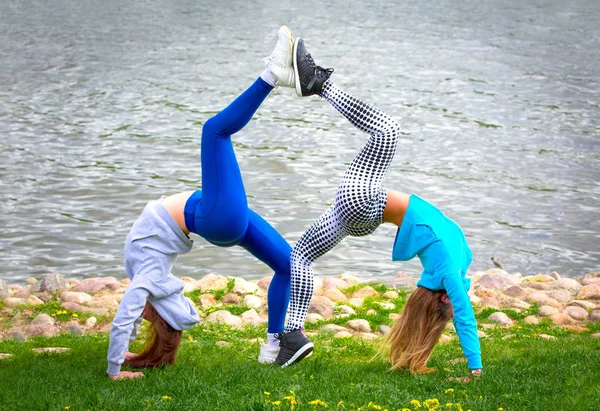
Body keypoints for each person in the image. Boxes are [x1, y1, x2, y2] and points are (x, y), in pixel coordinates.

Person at [274, 35, 482, 381]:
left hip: (363, 199)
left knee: (387, 131)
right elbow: (454, 305)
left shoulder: (449, 271)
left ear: (445, 300)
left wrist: (474, 368)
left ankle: (318, 83)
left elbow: (463, 314)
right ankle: (292, 334)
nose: (461, 297)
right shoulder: (455, 269)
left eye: (451, 301)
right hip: (358, 217)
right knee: (301, 256)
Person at [106, 26, 299, 380]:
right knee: (214, 131)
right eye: (150, 317)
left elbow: (132, 317)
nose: (143, 315)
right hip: (213, 216)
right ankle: (274, 74)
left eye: (145, 317)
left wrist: (135, 351)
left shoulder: (150, 280)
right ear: (157, 309)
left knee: (287, 265)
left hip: (219, 220)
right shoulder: (149, 277)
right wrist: (114, 368)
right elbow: (126, 315)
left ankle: (274, 345)